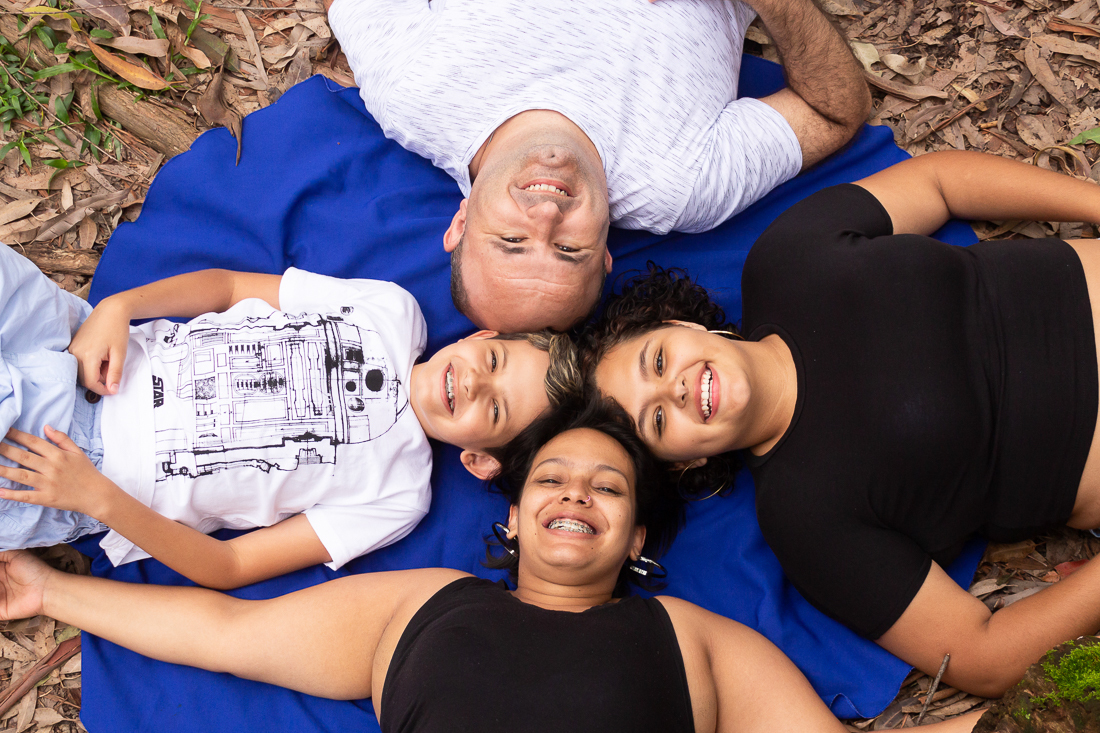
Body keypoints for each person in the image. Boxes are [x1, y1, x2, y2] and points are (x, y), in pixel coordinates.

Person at [0, 402, 984, 733]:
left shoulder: (696, 640)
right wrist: (49, 588)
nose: (575, 493)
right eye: (552, 477)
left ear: (637, 539)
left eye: (607, 488)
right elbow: (227, 631)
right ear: (511, 516)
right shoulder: (425, 606)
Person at [583, 149, 1100, 698]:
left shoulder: (786, 258)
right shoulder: (805, 521)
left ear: (682, 325)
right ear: (685, 461)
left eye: (658, 360)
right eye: (657, 419)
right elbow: (979, 655)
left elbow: (939, 182)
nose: (676, 388)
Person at [0, 246, 579, 590]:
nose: (475, 382)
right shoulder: (392, 310)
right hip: (76, 337)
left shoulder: (399, 495)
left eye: (495, 409)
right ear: (481, 335)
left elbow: (230, 565)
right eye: (495, 361)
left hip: (67, 465)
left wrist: (98, 500)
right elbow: (228, 288)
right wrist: (118, 306)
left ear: (480, 461)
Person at [325, 0, 871, 333]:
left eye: (512, 240)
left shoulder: (417, 94)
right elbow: (833, 111)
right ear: (606, 250)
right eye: (568, 249)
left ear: (461, 222)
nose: (546, 216)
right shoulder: (679, 183)